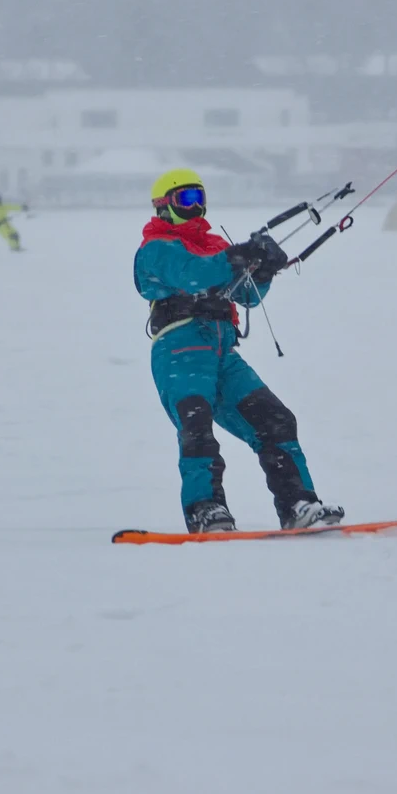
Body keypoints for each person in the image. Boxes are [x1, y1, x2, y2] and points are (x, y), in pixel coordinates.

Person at [133, 168, 345, 533]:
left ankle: (297, 504)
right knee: (196, 425)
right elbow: (193, 274)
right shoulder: (156, 248)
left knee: (275, 420)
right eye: (186, 198)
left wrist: (262, 271)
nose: (195, 205)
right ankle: (205, 509)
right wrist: (237, 256)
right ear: (164, 205)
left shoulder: (215, 246)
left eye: (199, 197)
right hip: (180, 349)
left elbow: (247, 296)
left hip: (223, 352)